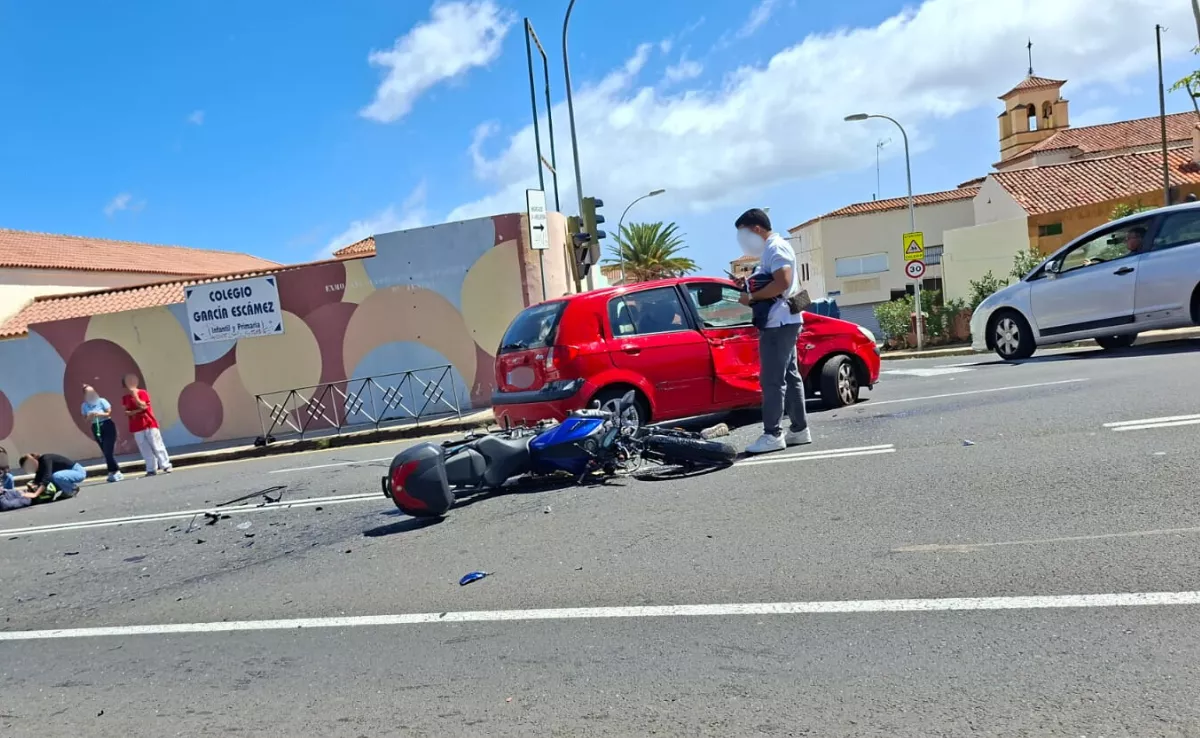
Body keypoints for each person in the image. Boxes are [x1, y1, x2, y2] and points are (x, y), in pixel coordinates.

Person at [734, 208, 811, 455]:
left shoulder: (776, 248)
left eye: (743, 234)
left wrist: (751, 297)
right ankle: (799, 429)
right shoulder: (772, 249)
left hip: (778, 322)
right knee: (790, 375)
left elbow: (782, 282)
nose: (742, 241)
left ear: (756, 229)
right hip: (784, 320)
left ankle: (772, 434)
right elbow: (773, 281)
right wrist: (748, 285)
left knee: (772, 380)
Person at [122, 373, 172, 476]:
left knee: (157, 445)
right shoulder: (125, 398)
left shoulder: (143, 393)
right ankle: (151, 469)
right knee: (144, 449)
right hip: (136, 426)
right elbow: (126, 412)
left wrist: (135, 396)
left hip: (149, 423)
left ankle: (165, 465)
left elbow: (144, 406)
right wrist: (136, 411)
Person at [81, 385, 123, 482]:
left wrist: (98, 414)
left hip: (107, 425)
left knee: (108, 450)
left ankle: (114, 471)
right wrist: (90, 416)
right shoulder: (84, 405)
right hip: (95, 427)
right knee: (105, 450)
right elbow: (86, 420)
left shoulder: (102, 401)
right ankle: (113, 472)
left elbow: (109, 413)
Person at [19, 452, 86, 501]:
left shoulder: (45, 459)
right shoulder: (39, 468)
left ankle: (72, 489)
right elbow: (37, 481)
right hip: (66, 474)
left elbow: (47, 478)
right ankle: (66, 490)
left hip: (78, 471)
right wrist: (25, 493)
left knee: (55, 476)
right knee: (49, 481)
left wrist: (35, 494)